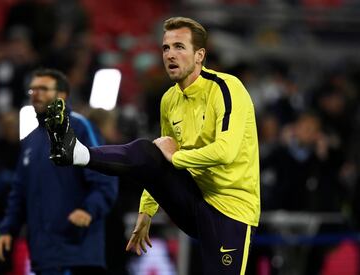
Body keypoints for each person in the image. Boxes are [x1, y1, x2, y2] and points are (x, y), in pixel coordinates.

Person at [45, 17, 260, 275]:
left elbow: (226, 152)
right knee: (149, 150)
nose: (170, 54)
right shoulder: (169, 99)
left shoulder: (227, 88)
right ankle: (77, 152)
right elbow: (158, 162)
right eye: (166, 48)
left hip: (231, 210)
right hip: (192, 200)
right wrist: (146, 211)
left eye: (179, 47)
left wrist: (177, 158)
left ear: (199, 55)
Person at [0, 68, 118, 275]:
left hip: (78, 253)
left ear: (62, 95)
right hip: (43, 257)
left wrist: (89, 209)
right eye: (33, 89)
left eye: (44, 88)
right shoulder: (29, 141)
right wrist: (8, 229)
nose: (36, 94)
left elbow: (105, 177)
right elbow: (19, 192)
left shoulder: (81, 128)